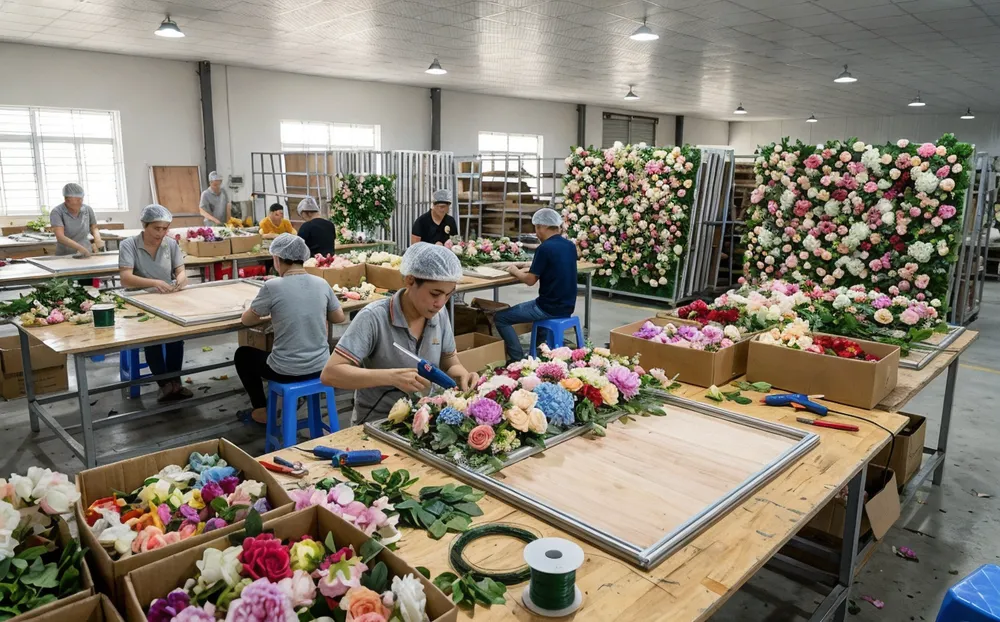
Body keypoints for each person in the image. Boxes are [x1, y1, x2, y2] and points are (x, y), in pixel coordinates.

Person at [321, 243, 479, 424]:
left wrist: (461, 375)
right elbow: (330, 374)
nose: (441, 303)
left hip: (425, 419)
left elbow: (449, 361)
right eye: (435, 293)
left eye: (448, 295)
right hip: (379, 422)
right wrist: (390, 377)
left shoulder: (439, 314)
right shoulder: (374, 318)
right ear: (410, 281)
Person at [235, 234, 345, 424]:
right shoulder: (321, 283)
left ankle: (262, 411)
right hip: (321, 366)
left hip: (286, 370)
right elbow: (339, 317)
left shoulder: (272, 286)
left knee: (243, 355)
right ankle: (285, 403)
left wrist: (248, 308)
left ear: (277, 259)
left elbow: (247, 321)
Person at [118, 204, 193, 402]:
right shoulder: (129, 245)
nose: (161, 233)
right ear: (144, 225)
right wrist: (154, 283)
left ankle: (175, 383)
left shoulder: (171, 244)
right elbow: (125, 278)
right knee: (153, 339)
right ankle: (164, 384)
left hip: (167, 298)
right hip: (139, 301)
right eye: (156, 228)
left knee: (177, 337)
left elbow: (180, 270)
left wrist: (181, 278)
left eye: (165, 228)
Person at [495, 208, 578, 362]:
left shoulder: (544, 248)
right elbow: (555, 267)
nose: (536, 233)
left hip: (547, 308)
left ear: (541, 227)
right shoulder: (569, 246)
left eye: (536, 228)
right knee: (538, 321)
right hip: (567, 306)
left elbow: (530, 280)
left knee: (501, 318)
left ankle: (517, 359)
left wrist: (515, 271)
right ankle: (541, 353)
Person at [50, 183, 103, 256]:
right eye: (77, 200)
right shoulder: (57, 212)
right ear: (67, 200)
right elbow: (60, 237)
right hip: (66, 254)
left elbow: (94, 227)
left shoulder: (87, 209)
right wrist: (80, 248)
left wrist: (98, 239)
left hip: (86, 251)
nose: (80, 202)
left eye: (81, 199)